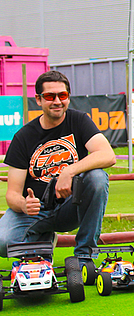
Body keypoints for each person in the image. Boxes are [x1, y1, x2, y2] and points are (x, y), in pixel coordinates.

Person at [0, 70, 116, 260]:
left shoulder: (79, 120)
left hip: (71, 206)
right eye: (49, 96)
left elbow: (108, 155)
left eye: (62, 95)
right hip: (36, 211)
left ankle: (84, 256)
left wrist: (69, 172)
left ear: (68, 98)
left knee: (97, 177)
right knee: (3, 242)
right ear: (38, 100)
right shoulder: (23, 137)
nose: (57, 101)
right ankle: (42, 244)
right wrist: (24, 204)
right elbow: (12, 194)